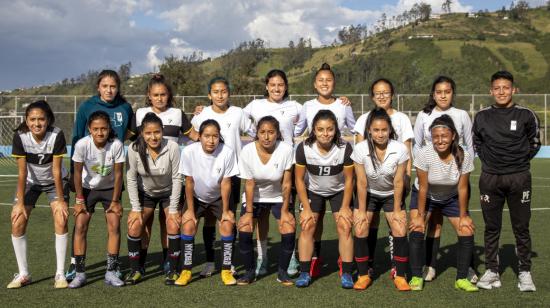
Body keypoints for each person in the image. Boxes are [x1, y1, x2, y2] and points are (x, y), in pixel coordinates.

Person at [474, 71, 540, 292]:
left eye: (506, 87)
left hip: (518, 178)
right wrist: (491, 162)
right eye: (497, 88)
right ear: (491, 91)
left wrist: (518, 162)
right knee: (491, 227)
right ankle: (492, 271)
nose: (501, 92)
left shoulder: (526, 115)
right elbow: (477, 143)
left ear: (514, 90)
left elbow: (534, 143)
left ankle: (525, 272)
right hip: (490, 178)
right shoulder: (482, 116)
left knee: (521, 226)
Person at [66, 69, 134, 279]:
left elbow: (131, 132)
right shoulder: (87, 106)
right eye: (105, 86)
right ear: (98, 87)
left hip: (110, 176)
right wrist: (73, 177)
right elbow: (78, 135)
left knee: (114, 224)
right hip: (87, 180)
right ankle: (74, 266)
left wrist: (117, 144)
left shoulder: (125, 107)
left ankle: (113, 268)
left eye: (113, 86)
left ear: (118, 88)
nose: (109, 90)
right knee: (80, 223)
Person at [130, 74, 198, 274]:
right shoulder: (140, 113)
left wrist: (204, 117)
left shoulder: (177, 114)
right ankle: (140, 262)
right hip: (147, 181)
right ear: (149, 96)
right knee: (145, 222)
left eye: (163, 94)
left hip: (171, 179)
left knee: (169, 221)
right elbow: (128, 137)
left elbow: (194, 135)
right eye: (155, 95)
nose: (159, 98)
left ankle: (168, 261)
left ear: (169, 96)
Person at [294, 63, 356, 278]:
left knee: (345, 224)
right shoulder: (307, 106)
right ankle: (310, 263)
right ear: (314, 83)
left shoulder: (343, 104)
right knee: (311, 223)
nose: (324, 83)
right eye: (320, 80)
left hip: (337, 174)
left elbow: (356, 128)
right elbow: (296, 129)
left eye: (328, 80)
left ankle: (346, 268)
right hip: (314, 180)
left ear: (334, 83)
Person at [412, 76, 476, 282]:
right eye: (439, 92)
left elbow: (469, 144)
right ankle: (429, 266)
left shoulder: (461, 114)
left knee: (465, 225)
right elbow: (417, 144)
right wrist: (422, 166)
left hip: (453, 181)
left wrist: (463, 167)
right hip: (429, 180)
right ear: (433, 94)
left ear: (452, 93)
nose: (443, 95)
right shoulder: (424, 115)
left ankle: (468, 268)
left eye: (447, 91)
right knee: (431, 225)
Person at [242, 69, 302, 276]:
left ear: (286, 87)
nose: (277, 88)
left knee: (287, 214)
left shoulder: (295, 106)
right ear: (266, 86)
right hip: (261, 164)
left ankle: (291, 256)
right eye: (273, 85)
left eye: (281, 85)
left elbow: (311, 120)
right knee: (262, 218)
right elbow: (236, 117)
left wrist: (342, 102)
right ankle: (262, 257)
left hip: (285, 164)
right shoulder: (255, 105)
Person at [190, 77, 252, 277]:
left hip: (230, 173)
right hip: (206, 173)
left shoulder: (238, 113)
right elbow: (191, 134)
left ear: (229, 93)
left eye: (223, 91)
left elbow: (254, 131)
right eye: (215, 92)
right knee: (208, 219)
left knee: (227, 217)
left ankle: (229, 262)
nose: (220, 95)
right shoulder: (203, 114)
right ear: (209, 95)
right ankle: (209, 261)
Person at [354, 78, 413, 279]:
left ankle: (397, 266)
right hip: (370, 183)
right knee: (367, 223)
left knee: (396, 222)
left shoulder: (402, 119)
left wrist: (405, 180)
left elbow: (407, 152)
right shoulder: (363, 120)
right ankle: (367, 264)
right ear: (372, 96)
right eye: (377, 93)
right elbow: (361, 153)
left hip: (394, 180)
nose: (381, 96)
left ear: (392, 94)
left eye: (386, 92)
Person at [8, 100, 70, 289]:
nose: (37, 123)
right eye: (32, 119)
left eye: (41, 119)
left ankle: (60, 274)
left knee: (61, 218)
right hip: (30, 183)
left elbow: (57, 171)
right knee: (17, 220)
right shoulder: (20, 136)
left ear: (48, 119)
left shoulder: (57, 135)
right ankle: (24, 274)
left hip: (55, 182)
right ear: (26, 120)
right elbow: (22, 173)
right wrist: (19, 203)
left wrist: (60, 200)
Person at [176, 119, 239, 286]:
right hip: (196, 197)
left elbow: (226, 183)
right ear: (200, 136)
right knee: (188, 224)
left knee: (226, 224)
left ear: (219, 137)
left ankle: (226, 270)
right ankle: (186, 271)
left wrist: (226, 210)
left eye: (215, 136)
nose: (211, 140)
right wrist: (189, 210)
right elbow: (189, 182)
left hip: (219, 196)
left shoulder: (227, 152)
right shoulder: (189, 151)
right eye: (207, 136)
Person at [68, 110, 125, 288]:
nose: (100, 133)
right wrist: (79, 199)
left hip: (110, 189)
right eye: (96, 129)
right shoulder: (82, 145)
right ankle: (79, 273)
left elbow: (118, 175)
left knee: (114, 226)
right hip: (87, 189)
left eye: (104, 129)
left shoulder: (116, 144)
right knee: (80, 226)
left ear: (109, 129)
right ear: (89, 129)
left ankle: (111, 271)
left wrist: (115, 201)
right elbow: (76, 173)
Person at [125, 112, 183, 286]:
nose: (153, 136)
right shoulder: (134, 149)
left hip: (169, 192)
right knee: (135, 225)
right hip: (146, 194)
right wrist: (135, 208)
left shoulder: (172, 147)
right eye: (148, 133)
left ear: (162, 131)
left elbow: (177, 178)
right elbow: (131, 178)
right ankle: (136, 269)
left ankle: (172, 269)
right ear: (142, 133)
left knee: (172, 224)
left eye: (157, 132)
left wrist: (173, 210)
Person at [236, 116, 295, 285]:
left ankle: (282, 272)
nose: (267, 137)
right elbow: (248, 183)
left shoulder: (286, 149)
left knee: (288, 225)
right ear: (257, 134)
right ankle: (249, 272)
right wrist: (248, 213)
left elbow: (286, 182)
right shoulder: (247, 151)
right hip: (254, 196)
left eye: (271, 132)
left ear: (277, 134)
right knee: (246, 227)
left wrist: (284, 211)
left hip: (278, 196)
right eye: (262, 132)